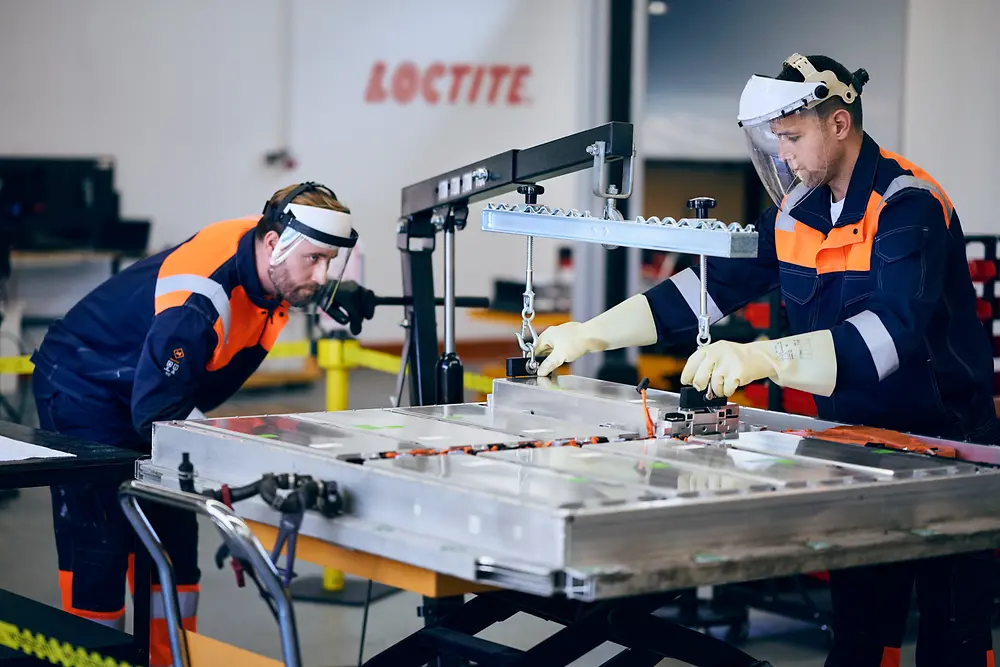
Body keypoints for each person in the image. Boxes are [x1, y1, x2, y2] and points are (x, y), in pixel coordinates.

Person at [534, 54, 1000, 667]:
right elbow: (705, 289)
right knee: (860, 640)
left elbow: (890, 337)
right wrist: (591, 334)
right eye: (776, 140)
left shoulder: (906, 205)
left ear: (839, 123)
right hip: (859, 448)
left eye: (792, 137)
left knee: (952, 644)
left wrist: (766, 358)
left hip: (949, 453)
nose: (783, 156)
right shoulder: (795, 212)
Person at [30, 182, 376, 665]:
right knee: (101, 544)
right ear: (275, 243)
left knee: (173, 542)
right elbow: (158, 415)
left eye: (329, 264)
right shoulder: (198, 300)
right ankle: (92, 659)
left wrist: (337, 291)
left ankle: (168, 659)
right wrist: (242, 456)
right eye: (315, 261)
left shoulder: (268, 255)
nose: (321, 275)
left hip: (152, 390)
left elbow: (280, 278)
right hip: (84, 386)